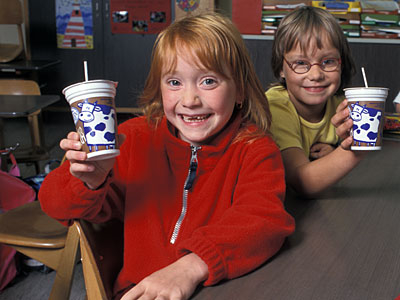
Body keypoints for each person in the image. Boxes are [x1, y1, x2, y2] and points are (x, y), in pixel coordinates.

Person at [39, 13, 295, 300]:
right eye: (174, 82)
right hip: (140, 291)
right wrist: (89, 182)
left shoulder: (254, 148)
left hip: (218, 284)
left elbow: (264, 220)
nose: (189, 100)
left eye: (208, 81)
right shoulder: (134, 138)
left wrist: (190, 266)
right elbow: (54, 205)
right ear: (159, 90)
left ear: (240, 91)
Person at [265, 6, 364, 198]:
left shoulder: (339, 104)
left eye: (328, 61)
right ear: (281, 69)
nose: (316, 75)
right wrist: (359, 148)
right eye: (301, 63)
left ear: (341, 64)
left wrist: (335, 149)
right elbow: (303, 182)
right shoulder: (275, 108)